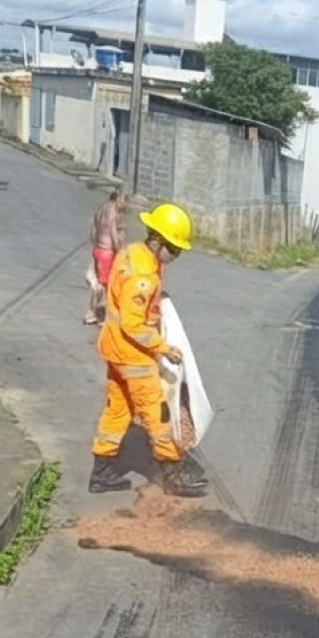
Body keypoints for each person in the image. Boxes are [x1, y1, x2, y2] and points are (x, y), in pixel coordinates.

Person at [88, 202, 208, 498]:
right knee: (157, 413)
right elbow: (133, 323)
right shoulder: (144, 274)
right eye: (174, 249)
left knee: (118, 410)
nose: (176, 256)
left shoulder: (133, 253)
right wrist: (163, 347)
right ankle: (173, 471)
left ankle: (101, 473)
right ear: (157, 241)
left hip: (114, 346)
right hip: (133, 355)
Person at [84, 190, 127, 325]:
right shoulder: (113, 211)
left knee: (97, 282)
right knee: (105, 284)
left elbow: (93, 229)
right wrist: (119, 250)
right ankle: (95, 314)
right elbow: (113, 232)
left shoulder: (101, 209)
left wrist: (95, 246)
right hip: (107, 252)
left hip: (97, 249)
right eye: (124, 200)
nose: (125, 205)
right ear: (118, 198)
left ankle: (94, 312)